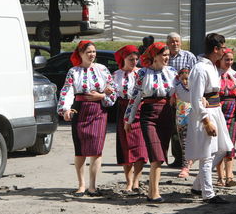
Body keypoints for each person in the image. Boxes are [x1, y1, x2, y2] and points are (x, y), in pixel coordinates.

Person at [57, 40, 116, 197]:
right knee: (80, 150)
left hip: (98, 111)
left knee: (96, 150)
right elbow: (67, 90)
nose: (92, 54)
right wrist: (66, 109)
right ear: (81, 53)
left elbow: (113, 90)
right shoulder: (73, 71)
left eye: (94, 51)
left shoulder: (102, 70)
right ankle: (81, 184)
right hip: (80, 111)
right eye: (89, 52)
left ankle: (92, 186)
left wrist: (103, 95)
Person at [124, 42, 177, 203]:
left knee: (160, 155)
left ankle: (153, 191)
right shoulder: (142, 73)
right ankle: (154, 193)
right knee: (156, 155)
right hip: (149, 115)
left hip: (167, 114)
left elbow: (181, 92)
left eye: (168, 55)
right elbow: (135, 97)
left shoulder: (172, 72)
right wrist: (128, 119)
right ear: (154, 56)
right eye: (163, 54)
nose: (167, 58)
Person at [186, 33, 233, 204]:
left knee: (222, 148)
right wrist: (206, 120)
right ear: (215, 49)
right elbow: (196, 98)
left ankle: (198, 185)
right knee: (207, 154)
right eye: (222, 48)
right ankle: (208, 193)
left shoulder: (212, 66)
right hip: (205, 113)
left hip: (215, 110)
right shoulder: (200, 68)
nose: (224, 51)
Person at [112, 45, 148, 194]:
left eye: (136, 59)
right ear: (124, 59)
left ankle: (136, 181)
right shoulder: (116, 75)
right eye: (130, 59)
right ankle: (128, 181)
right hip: (123, 109)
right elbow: (112, 94)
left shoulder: (142, 73)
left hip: (140, 109)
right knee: (125, 146)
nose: (134, 62)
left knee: (140, 147)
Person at [167, 32, 197, 168]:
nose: (175, 44)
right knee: (173, 129)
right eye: (172, 42)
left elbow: (195, 76)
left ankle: (189, 158)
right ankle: (178, 158)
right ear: (168, 43)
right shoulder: (166, 57)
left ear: (181, 43)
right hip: (170, 98)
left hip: (186, 99)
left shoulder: (189, 56)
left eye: (177, 41)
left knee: (187, 129)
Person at [215, 48, 236, 187]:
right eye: (227, 59)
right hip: (217, 112)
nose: (229, 62)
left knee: (230, 144)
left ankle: (230, 175)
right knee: (218, 145)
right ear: (220, 60)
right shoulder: (214, 74)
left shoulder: (235, 75)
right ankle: (220, 177)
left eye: (231, 59)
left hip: (231, 112)